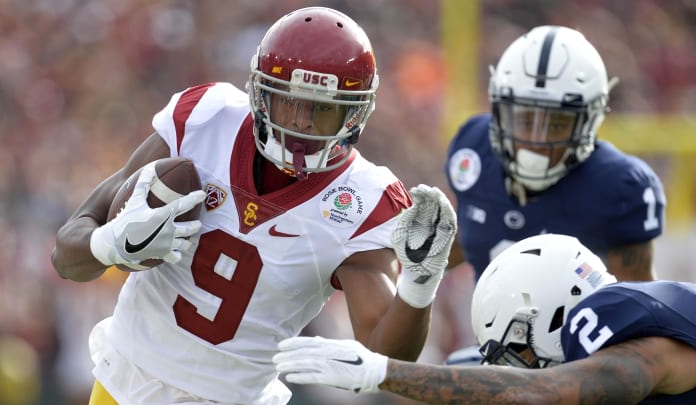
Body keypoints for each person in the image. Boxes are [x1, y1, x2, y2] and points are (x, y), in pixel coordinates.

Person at [50, 7, 457, 405]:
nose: (301, 124)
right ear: (260, 93)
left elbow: (386, 361)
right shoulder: (207, 120)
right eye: (290, 102)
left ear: (354, 116)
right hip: (124, 383)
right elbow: (66, 255)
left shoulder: (362, 201)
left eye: (324, 110)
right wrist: (109, 244)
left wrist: (421, 282)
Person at [273, 234, 696, 404]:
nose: (514, 368)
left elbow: (542, 392)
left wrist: (383, 371)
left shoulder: (641, 343)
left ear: (558, 311)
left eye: (517, 350)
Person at [444, 25, 665, 282]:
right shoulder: (475, 149)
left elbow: (639, 303)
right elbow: (470, 233)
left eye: (557, 124)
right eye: (526, 121)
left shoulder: (619, 187)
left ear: (589, 122)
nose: (537, 141)